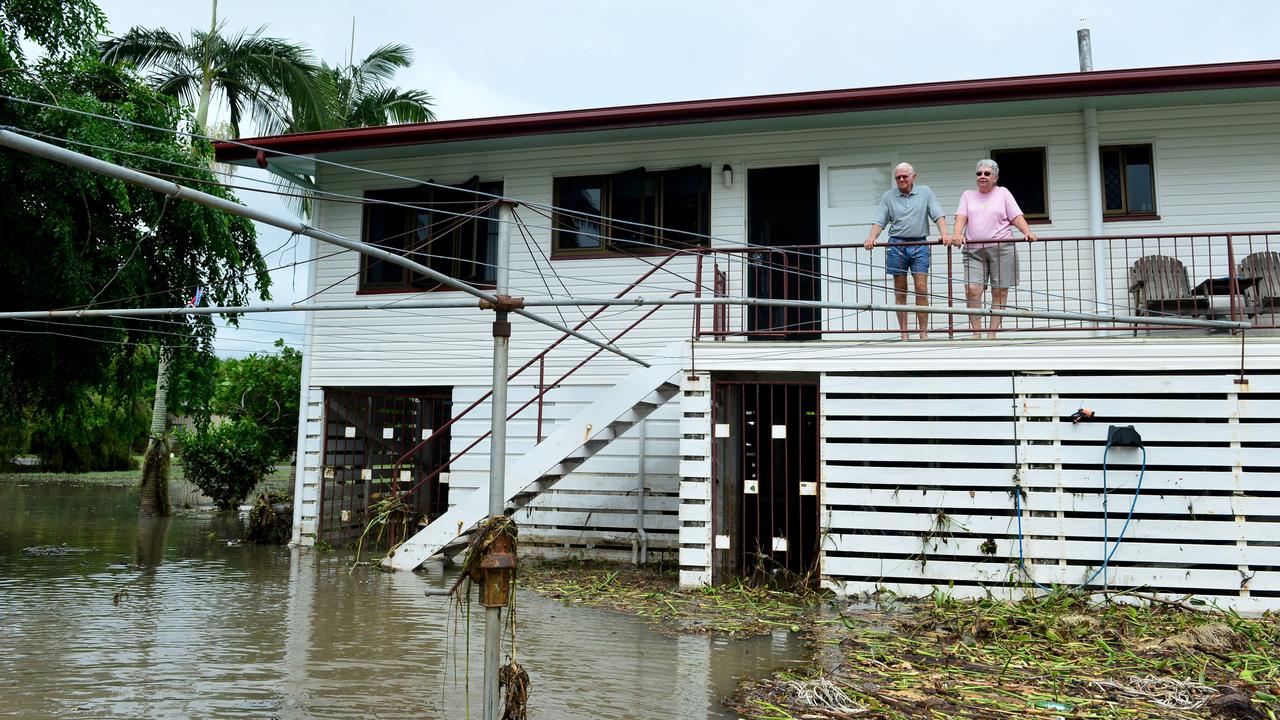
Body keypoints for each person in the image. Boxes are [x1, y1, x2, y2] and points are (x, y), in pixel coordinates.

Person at [950, 159, 1038, 339]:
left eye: (987, 173)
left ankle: (992, 333)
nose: (982, 176)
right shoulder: (968, 195)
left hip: (1002, 247)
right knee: (972, 290)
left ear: (995, 177)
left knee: (999, 290)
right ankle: (976, 333)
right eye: (979, 173)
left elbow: (1015, 216)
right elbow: (961, 217)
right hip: (974, 250)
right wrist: (957, 234)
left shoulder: (1003, 193)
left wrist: (1027, 231)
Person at [864, 162, 950, 340]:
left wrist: (945, 234)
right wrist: (872, 237)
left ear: (913, 177)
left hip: (920, 244)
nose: (901, 179)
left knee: (921, 288)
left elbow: (938, 215)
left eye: (905, 176)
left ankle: (923, 333)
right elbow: (880, 220)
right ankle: (904, 333)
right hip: (897, 245)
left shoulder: (925, 192)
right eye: (898, 177)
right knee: (900, 290)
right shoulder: (888, 196)